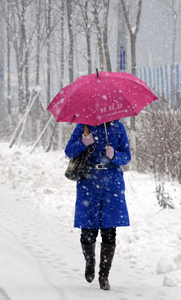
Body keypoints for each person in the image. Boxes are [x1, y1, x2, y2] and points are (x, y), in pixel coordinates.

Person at [65, 121, 131, 291]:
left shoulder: (118, 127)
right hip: (88, 182)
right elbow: (69, 151)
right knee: (88, 230)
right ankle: (90, 262)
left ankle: (104, 275)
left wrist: (114, 154)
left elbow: (127, 156)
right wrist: (83, 143)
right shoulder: (84, 126)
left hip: (112, 185)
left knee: (109, 231)